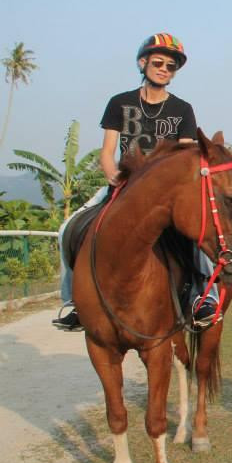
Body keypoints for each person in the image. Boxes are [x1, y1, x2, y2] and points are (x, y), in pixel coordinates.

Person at [53, 33, 220, 330]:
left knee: (197, 231)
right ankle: (74, 300)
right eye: (158, 63)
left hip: (165, 193)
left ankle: (203, 298)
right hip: (123, 185)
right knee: (68, 226)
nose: (164, 69)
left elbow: (184, 157)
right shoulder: (120, 103)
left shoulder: (183, 110)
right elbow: (107, 151)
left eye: (171, 66)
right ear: (143, 63)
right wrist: (114, 178)